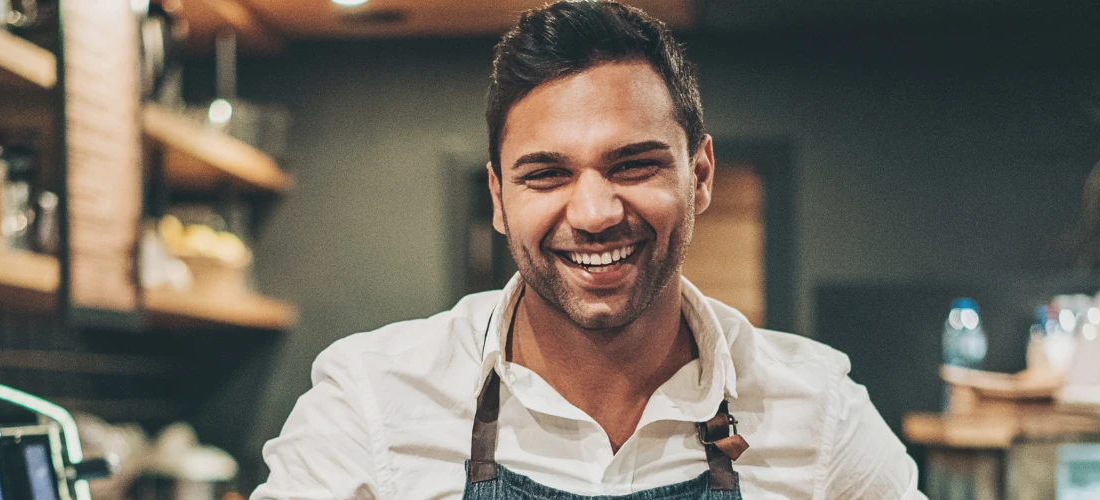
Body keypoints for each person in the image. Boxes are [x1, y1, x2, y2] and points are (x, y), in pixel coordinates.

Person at [253, 1, 924, 498]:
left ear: (699, 176)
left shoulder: (819, 413)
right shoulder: (371, 403)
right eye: (547, 174)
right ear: (498, 198)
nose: (595, 213)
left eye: (634, 165)